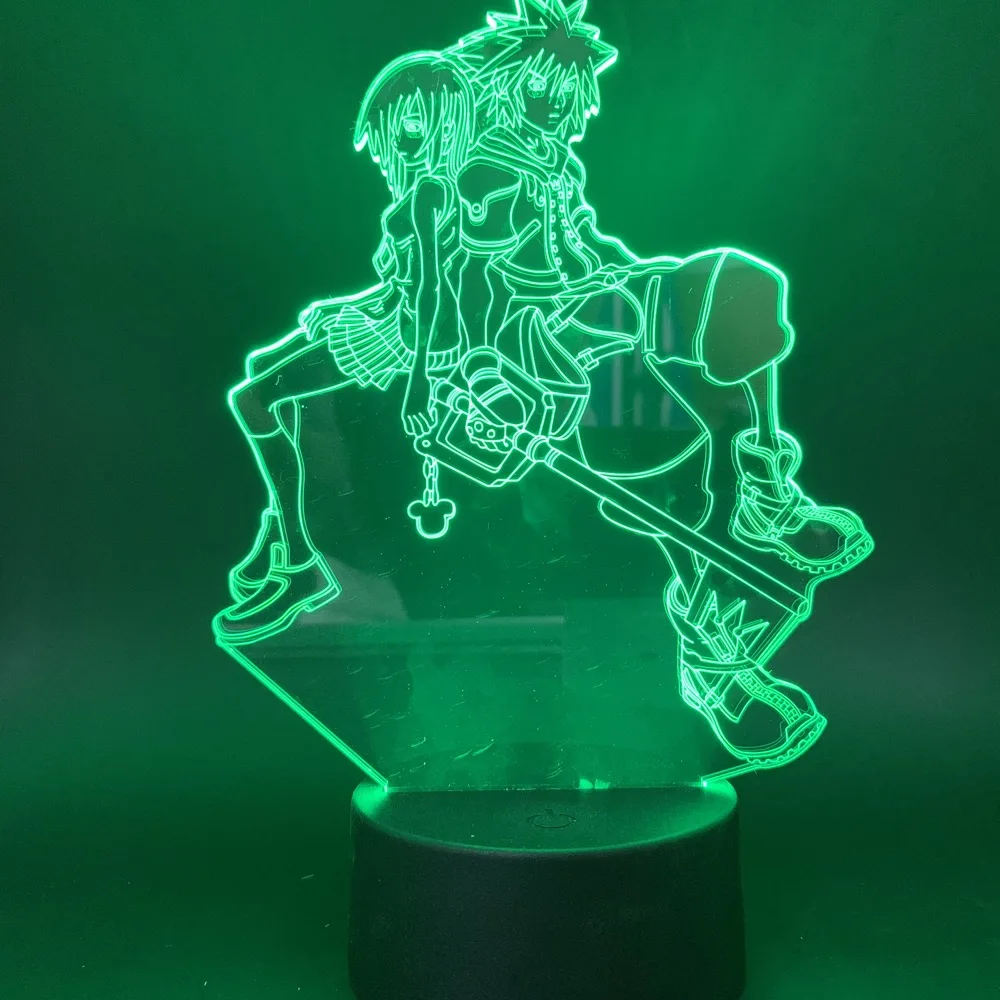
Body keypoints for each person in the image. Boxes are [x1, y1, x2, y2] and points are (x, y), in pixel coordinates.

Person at [444, 0, 873, 771]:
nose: (561, 108)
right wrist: (480, 375)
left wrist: (645, 281)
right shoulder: (482, 171)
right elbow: (467, 279)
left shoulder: (551, 162)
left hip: (600, 300)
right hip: (538, 340)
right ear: (506, 86)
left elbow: (585, 250)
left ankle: (766, 487)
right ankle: (711, 656)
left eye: (568, 94)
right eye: (544, 91)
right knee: (635, 403)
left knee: (738, 287)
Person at [213, 52, 475, 645]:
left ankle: (296, 558)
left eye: (417, 123)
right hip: (393, 319)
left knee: (253, 399)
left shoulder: (431, 194)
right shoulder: (419, 196)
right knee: (261, 370)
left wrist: (420, 382)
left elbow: (432, 290)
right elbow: (402, 283)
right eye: (396, 127)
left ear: (447, 124)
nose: (401, 140)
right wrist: (342, 309)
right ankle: (280, 531)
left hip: (405, 338)